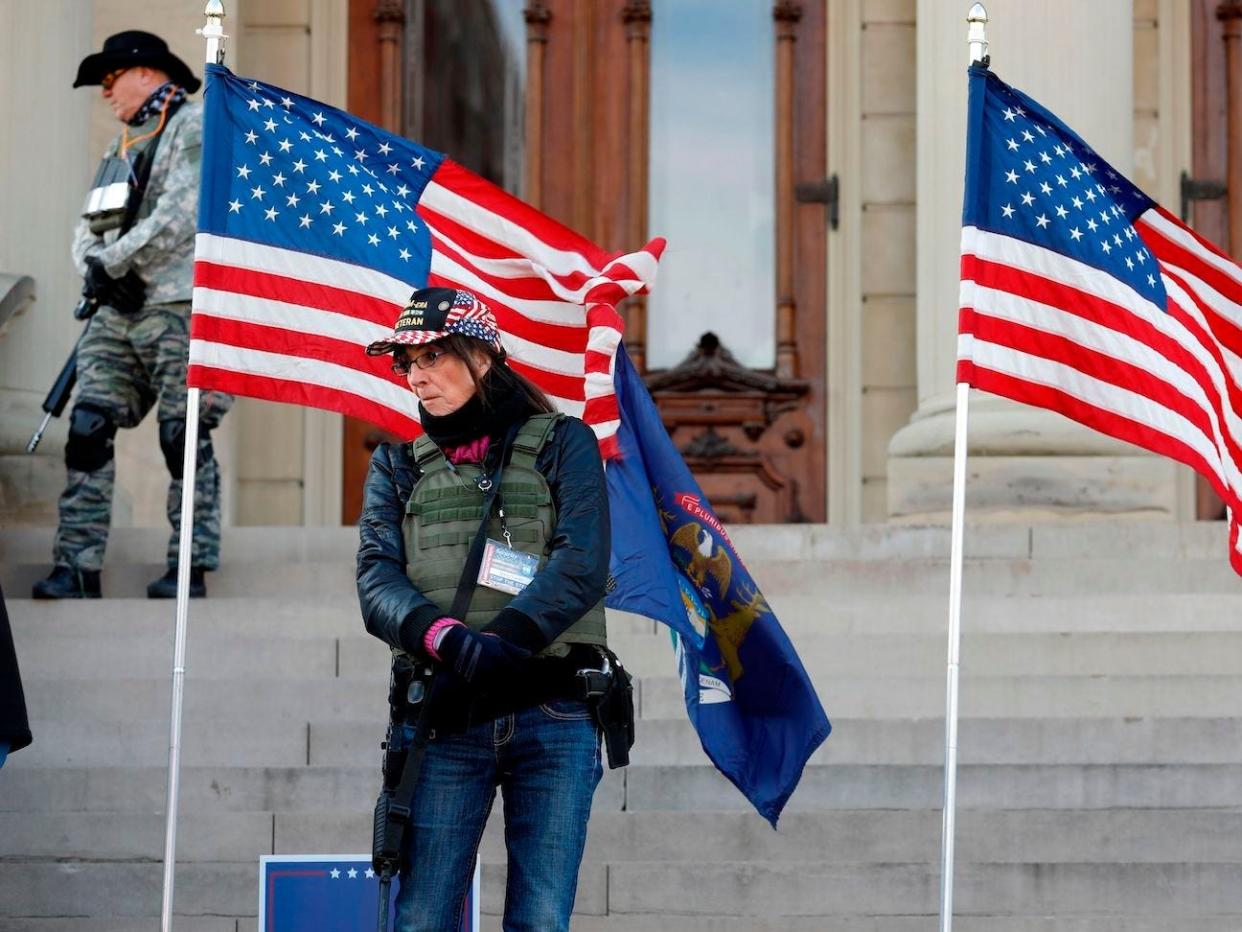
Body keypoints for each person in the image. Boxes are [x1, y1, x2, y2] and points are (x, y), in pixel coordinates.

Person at [357, 286, 614, 931]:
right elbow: (376, 580)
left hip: (553, 712)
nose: (416, 376)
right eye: (406, 362)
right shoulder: (395, 466)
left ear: (481, 357)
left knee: (541, 919)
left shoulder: (564, 443)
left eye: (431, 357)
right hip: (444, 713)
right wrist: (447, 639)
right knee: (421, 919)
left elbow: (582, 563)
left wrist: (500, 643)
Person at [32, 31, 233, 601]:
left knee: (181, 435)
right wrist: (95, 268)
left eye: (109, 78)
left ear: (145, 72)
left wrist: (111, 264)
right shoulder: (122, 145)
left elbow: (181, 212)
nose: (104, 92)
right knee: (88, 426)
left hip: (180, 305)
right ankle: (77, 565)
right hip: (119, 312)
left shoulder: (193, 125)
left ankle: (188, 563)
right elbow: (87, 225)